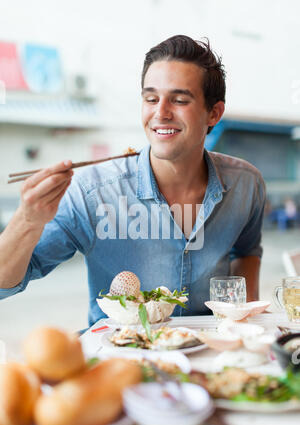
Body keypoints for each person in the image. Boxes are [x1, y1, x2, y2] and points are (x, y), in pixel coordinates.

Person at [0, 35, 266, 326]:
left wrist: (245, 322)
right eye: (151, 99)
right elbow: (6, 282)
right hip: (122, 358)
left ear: (213, 113)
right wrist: (27, 220)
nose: (160, 113)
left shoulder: (245, 184)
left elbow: (247, 251)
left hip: (210, 359)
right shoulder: (92, 191)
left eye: (179, 100)